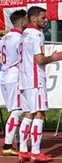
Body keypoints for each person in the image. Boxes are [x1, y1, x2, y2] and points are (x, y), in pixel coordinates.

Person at [19, 6, 62, 163]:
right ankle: (36, 152)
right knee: (40, 113)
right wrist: (53, 57)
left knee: (28, 114)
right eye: (43, 18)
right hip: (35, 79)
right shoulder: (37, 34)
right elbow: (39, 59)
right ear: (34, 19)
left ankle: (23, 150)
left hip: (24, 79)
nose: (45, 20)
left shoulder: (24, 33)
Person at [0, 10, 27, 157]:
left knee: (15, 111)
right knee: (18, 110)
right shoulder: (20, 38)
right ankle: (7, 144)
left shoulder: (5, 37)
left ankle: (16, 141)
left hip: (5, 74)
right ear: (22, 21)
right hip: (15, 75)